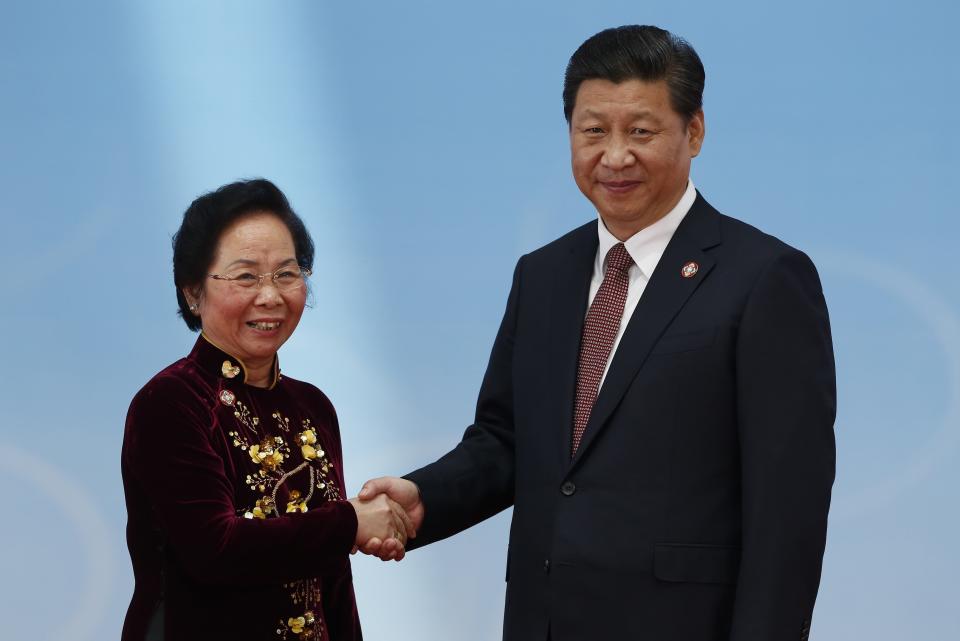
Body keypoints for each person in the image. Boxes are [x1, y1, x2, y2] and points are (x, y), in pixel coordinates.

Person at [360, 25, 836, 641]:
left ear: (694, 131)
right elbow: (508, 440)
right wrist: (426, 496)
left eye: (641, 131)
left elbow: (787, 508)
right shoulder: (544, 274)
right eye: (593, 131)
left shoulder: (765, 277)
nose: (614, 156)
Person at [121, 178, 414, 641]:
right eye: (245, 276)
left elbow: (333, 583)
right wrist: (350, 522)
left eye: (286, 273)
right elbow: (213, 551)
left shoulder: (313, 407)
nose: (270, 296)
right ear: (192, 291)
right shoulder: (170, 402)